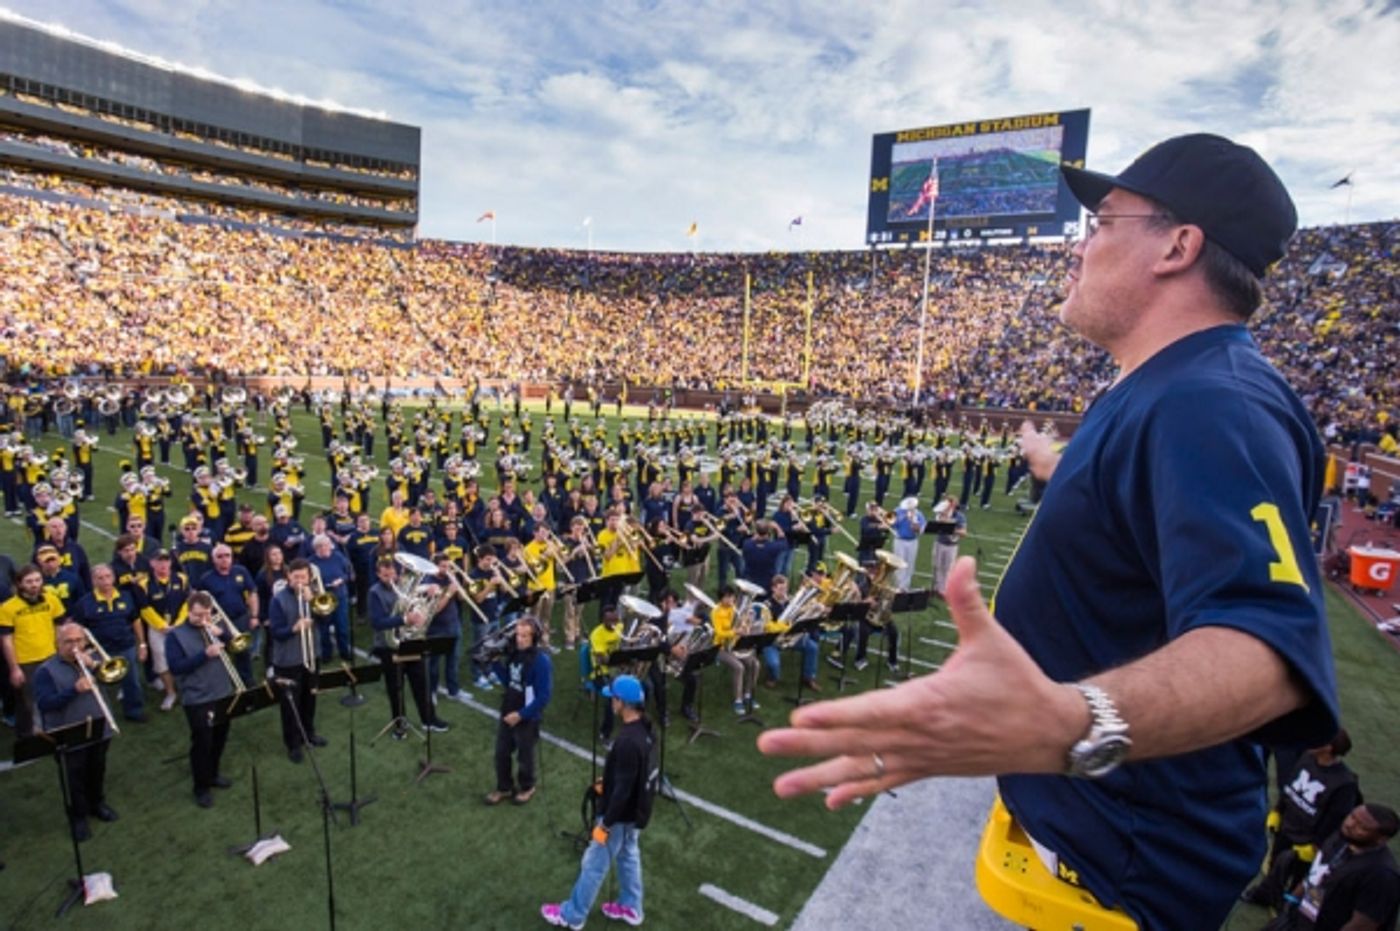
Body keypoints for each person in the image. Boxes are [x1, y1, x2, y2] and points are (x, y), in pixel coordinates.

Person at [757, 134, 1340, 931]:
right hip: (1086, 850)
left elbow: (1266, 650)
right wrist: (1057, 467)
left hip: (1112, 880)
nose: (1080, 242)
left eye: (1102, 220)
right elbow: (1143, 513)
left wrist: (1073, 722)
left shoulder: (1212, 400)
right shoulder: (1171, 385)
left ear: (1178, 245)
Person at [541, 674, 655, 929]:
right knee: (628, 856)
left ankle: (572, 915)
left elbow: (623, 789)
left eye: (612, 698)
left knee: (593, 865)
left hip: (617, 818)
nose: (610, 703)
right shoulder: (645, 730)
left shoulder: (626, 741)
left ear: (622, 703)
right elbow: (632, 775)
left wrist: (605, 825)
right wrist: (612, 778)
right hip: (635, 815)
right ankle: (631, 906)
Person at [1244, 729, 1363, 910]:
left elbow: (1336, 819)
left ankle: (1290, 906)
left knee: (1301, 875)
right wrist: (1278, 811)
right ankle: (1265, 894)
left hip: (1307, 839)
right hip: (1288, 826)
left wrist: (1316, 845)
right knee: (1276, 864)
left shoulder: (1344, 783)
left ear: (1329, 748)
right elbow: (1291, 787)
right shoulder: (1307, 758)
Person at [32, 622, 120, 841]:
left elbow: (113, 679)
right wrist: (74, 689)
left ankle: (97, 803)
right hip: (70, 732)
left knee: (97, 768)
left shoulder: (91, 661)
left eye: (79, 640)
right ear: (57, 644)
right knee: (75, 777)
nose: (75, 646)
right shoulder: (45, 671)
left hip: (99, 726)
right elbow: (45, 703)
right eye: (68, 641)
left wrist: (96, 667)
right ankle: (78, 817)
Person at [1264, 804, 1400, 931]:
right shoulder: (1341, 838)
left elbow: (1363, 924)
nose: (1350, 825)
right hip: (1304, 919)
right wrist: (1292, 903)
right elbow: (1316, 875)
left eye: (1362, 827)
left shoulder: (1381, 874)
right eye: (1352, 816)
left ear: (1381, 839)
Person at [165, 593, 236, 808]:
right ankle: (201, 787)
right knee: (202, 743)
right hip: (197, 697)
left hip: (223, 690)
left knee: (220, 737)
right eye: (198, 615)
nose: (203, 619)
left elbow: (236, 647)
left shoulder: (215, 625)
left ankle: (213, 774)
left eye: (207, 614)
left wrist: (222, 635)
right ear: (188, 611)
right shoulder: (175, 635)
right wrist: (205, 654)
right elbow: (176, 667)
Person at [485, 615, 552, 806]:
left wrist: (522, 715)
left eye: (525, 636)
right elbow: (510, 681)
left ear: (534, 638)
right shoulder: (514, 653)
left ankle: (527, 787)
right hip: (509, 709)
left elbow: (544, 696)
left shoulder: (541, 661)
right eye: (518, 635)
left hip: (527, 716)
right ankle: (504, 787)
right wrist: (496, 663)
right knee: (501, 752)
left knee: (525, 756)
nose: (520, 640)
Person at [267, 559, 327, 763]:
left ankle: (308, 734)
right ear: (288, 578)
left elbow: (326, 620)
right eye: (296, 577)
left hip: (311, 656)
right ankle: (293, 744)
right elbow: (275, 632)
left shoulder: (315, 595)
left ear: (309, 577)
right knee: (290, 706)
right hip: (288, 661)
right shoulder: (278, 599)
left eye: (304, 577)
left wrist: (313, 601)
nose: (300, 581)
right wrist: (294, 628)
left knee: (310, 699)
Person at [72, 564, 147, 723]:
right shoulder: (84, 603)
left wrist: (142, 644)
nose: (105, 581)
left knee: (132, 681)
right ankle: (101, 715)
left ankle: (134, 711)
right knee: (98, 685)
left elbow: (135, 620)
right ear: (93, 581)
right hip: (98, 651)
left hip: (126, 646)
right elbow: (78, 629)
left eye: (108, 577)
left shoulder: (126, 596)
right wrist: (83, 651)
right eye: (100, 578)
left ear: (114, 578)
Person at [0, 563, 67, 735]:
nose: (35, 584)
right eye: (29, 581)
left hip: (52, 657)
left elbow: (60, 628)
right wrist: (14, 668)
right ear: (20, 584)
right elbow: (6, 640)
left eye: (38, 580)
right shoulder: (8, 608)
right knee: (27, 704)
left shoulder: (52, 600)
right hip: (26, 662)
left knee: (55, 695)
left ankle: (55, 730)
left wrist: (62, 653)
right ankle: (27, 738)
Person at [930, 495, 966, 596]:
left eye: (951, 503)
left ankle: (945, 590)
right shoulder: (940, 513)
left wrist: (951, 529)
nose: (948, 505)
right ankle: (937, 588)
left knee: (948, 568)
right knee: (937, 565)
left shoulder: (960, 516)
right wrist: (943, 517)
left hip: (951, 545)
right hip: (939, 543)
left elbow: (963, 533)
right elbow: (936, 524)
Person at [889, 497, 925, 590]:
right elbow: (889, 521)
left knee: (910, 564)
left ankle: (905, 586)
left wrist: (913, 521)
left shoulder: (918, 514)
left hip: (912, 541)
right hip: (900, 540)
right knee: (899, 563)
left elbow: (920, 530)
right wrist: (902, 518)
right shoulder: (897, 511)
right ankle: (898, 586)